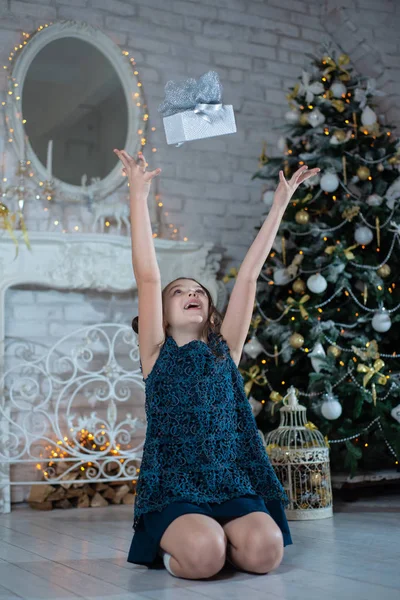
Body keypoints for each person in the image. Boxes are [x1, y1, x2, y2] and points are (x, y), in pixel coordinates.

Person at [114, 147, 319, 580]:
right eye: (179, 291)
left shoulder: (224, 350)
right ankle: (183, 547)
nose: (192, 292)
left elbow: (248, 275)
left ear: (209, 312)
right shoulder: (156, 353)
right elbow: (148, 275)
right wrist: (137, 194)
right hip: (174, 486)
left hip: (229, 479)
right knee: (205, 557)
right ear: (162, 316)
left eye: (199, 291)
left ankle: (223, 538)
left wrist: (280, 203)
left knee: (268, 553)